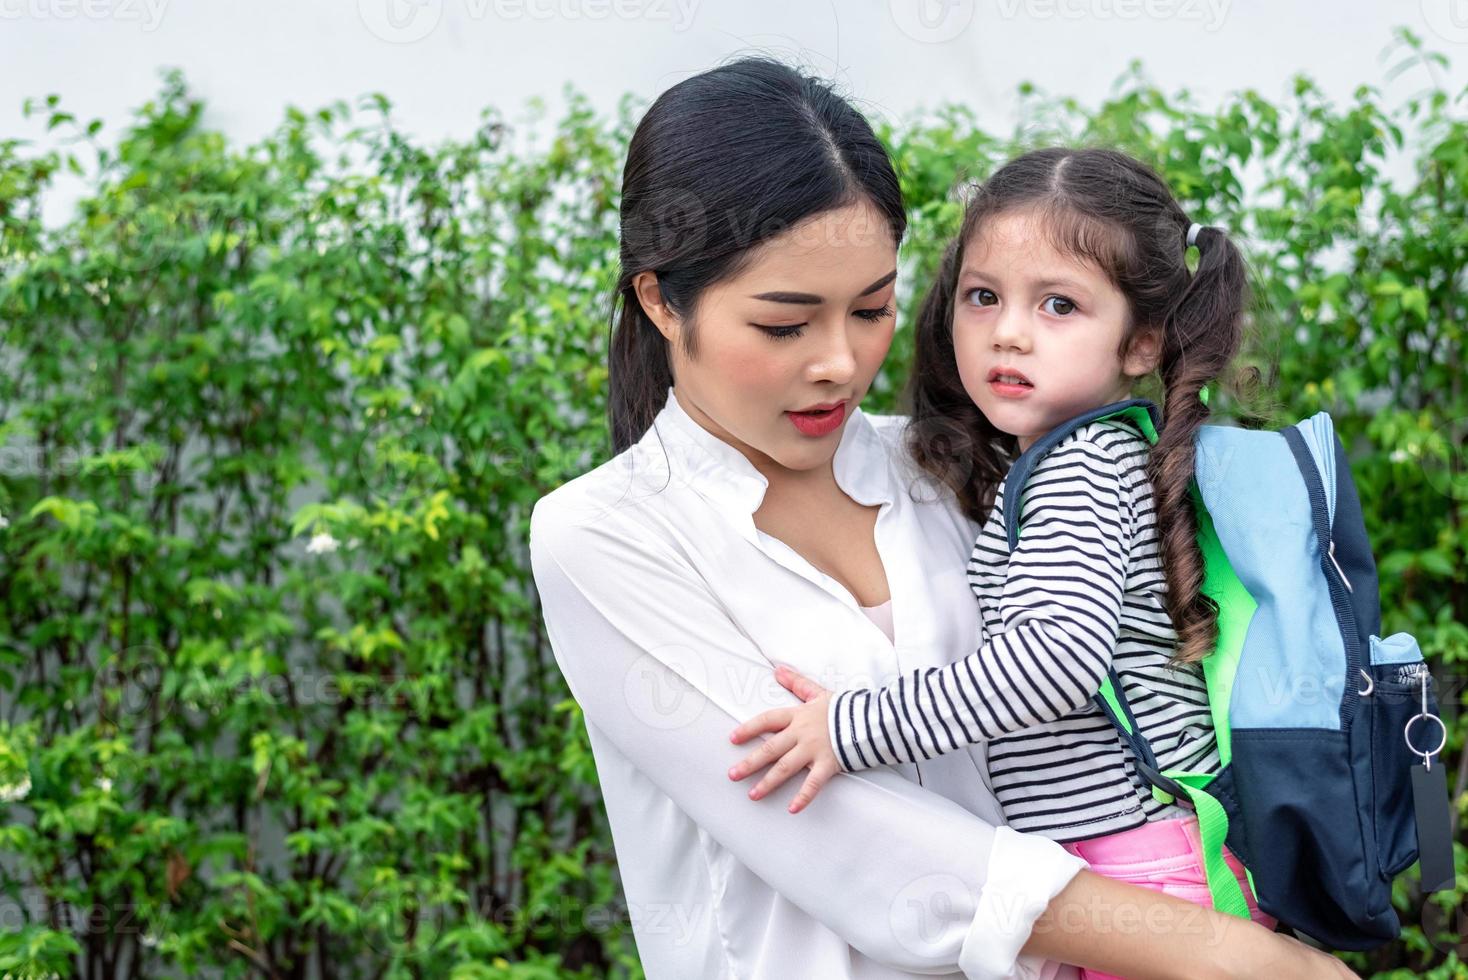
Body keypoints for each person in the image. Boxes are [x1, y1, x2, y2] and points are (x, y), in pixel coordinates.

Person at [530, 58, 1355, 980]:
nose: (842, 364)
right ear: (659, 300)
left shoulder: (947, 468)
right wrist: (1216, 950)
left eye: (872, 309)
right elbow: (852, 841)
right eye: (784, 325)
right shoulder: (604, 535)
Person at [724, 147, 1275, 971]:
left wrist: (851, 726)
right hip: (1137, 867)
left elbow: (1053, 659)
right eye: (983, 297)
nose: (1009, 332)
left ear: (1139, 344)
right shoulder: (1089, 456)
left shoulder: (1079, 467)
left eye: (1059, 304)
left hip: (1144, 874)